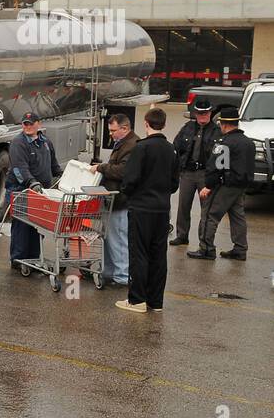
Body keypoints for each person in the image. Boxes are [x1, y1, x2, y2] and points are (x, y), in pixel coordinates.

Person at [118, 108, 178, 314]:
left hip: (141, 208)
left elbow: (130, 179)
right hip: (162, 209)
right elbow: (174, 183)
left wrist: (127, 194)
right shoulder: (171, 149)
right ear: (163, 124)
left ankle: (136, 300)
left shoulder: (141, 148)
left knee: (139, 253)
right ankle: (156, 301)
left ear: (146, 124)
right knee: (158, 255)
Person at [190, 104, 255, 262]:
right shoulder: (248, 142)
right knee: (237, 216)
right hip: (241, 186)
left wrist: (208, 186)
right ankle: (240, 249)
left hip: (225, 185)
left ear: (223, 124)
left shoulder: (224, 143)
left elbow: (216, 167)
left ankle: (206, 249)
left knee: (210, 214)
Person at [6, 112, 60, 270]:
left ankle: (34, 257)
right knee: (22, 225)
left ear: (38, 123)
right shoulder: (18, 143)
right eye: (25, 124)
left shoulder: (45, 142)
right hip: (21, 190)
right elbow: (19, 168)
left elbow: (53, 165)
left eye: (30, 123)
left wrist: (63, 176)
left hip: (41, 193)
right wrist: (32, 182)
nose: (27, 127)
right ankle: (18, 259)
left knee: (39, 226)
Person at [93, 114, 137, 287]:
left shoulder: (131, 145)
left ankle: (122, 275)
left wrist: (101, 168)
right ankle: (110, 271)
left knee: (118, 239)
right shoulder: (123, 143)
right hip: (114, 199)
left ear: (124, 128)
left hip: (121, 200)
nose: (110, 134)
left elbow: (124, 171)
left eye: (113, 130)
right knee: (109, 238)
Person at [171, 100, 219, 247]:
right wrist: (178, 169)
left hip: (205, 174)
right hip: (188, 173)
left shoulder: (217, 131)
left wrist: (213, 177)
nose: (203, 116)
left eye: (205, 113)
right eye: (200, 113)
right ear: (196, 114)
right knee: (183, 206)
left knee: (206, 209)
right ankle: (182, 236)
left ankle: (203, 241)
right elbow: (176, 147)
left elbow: (219, 156)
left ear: (210, 113)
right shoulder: (187, 128)